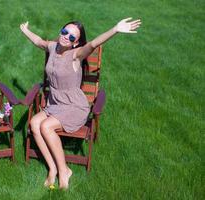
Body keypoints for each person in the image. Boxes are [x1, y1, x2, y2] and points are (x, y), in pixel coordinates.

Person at [20, 17, 141, 189]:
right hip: (55, 103)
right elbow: (38, 41)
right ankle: (52, 168)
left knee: (46, 127)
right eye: (64, 32)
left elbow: (92, 44)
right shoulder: (53, 47)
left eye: (71, 37)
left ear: (76, 43)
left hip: (73, 106)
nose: (65, 37)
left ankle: (64, 171)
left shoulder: (76, 55)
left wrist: (115, 29)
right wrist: (25, 30)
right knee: (34, 123)